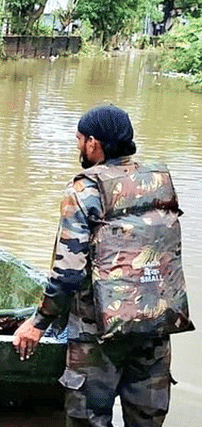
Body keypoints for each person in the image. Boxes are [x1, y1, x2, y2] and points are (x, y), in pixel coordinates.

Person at [13, 105, 193, 427]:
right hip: (154, 322)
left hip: (96, 332)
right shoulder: (158, 181)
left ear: (93, 143)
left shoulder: (84, 190)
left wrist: (38, 323)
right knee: (147, 419)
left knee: (89, 419)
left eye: (79, 139)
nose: (78, 146)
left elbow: (68, 273)